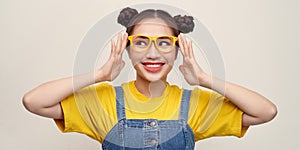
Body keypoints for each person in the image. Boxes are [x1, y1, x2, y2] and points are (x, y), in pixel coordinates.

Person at [23, 7, 277, 150]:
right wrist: (99, 75)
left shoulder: (194, 104)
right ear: (127, 48)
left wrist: (204, 79)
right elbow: (34, 102)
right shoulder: (104, 101)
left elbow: (265, 112)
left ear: (177, 51)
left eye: (164, 43)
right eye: (141, 42)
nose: (152, 53)